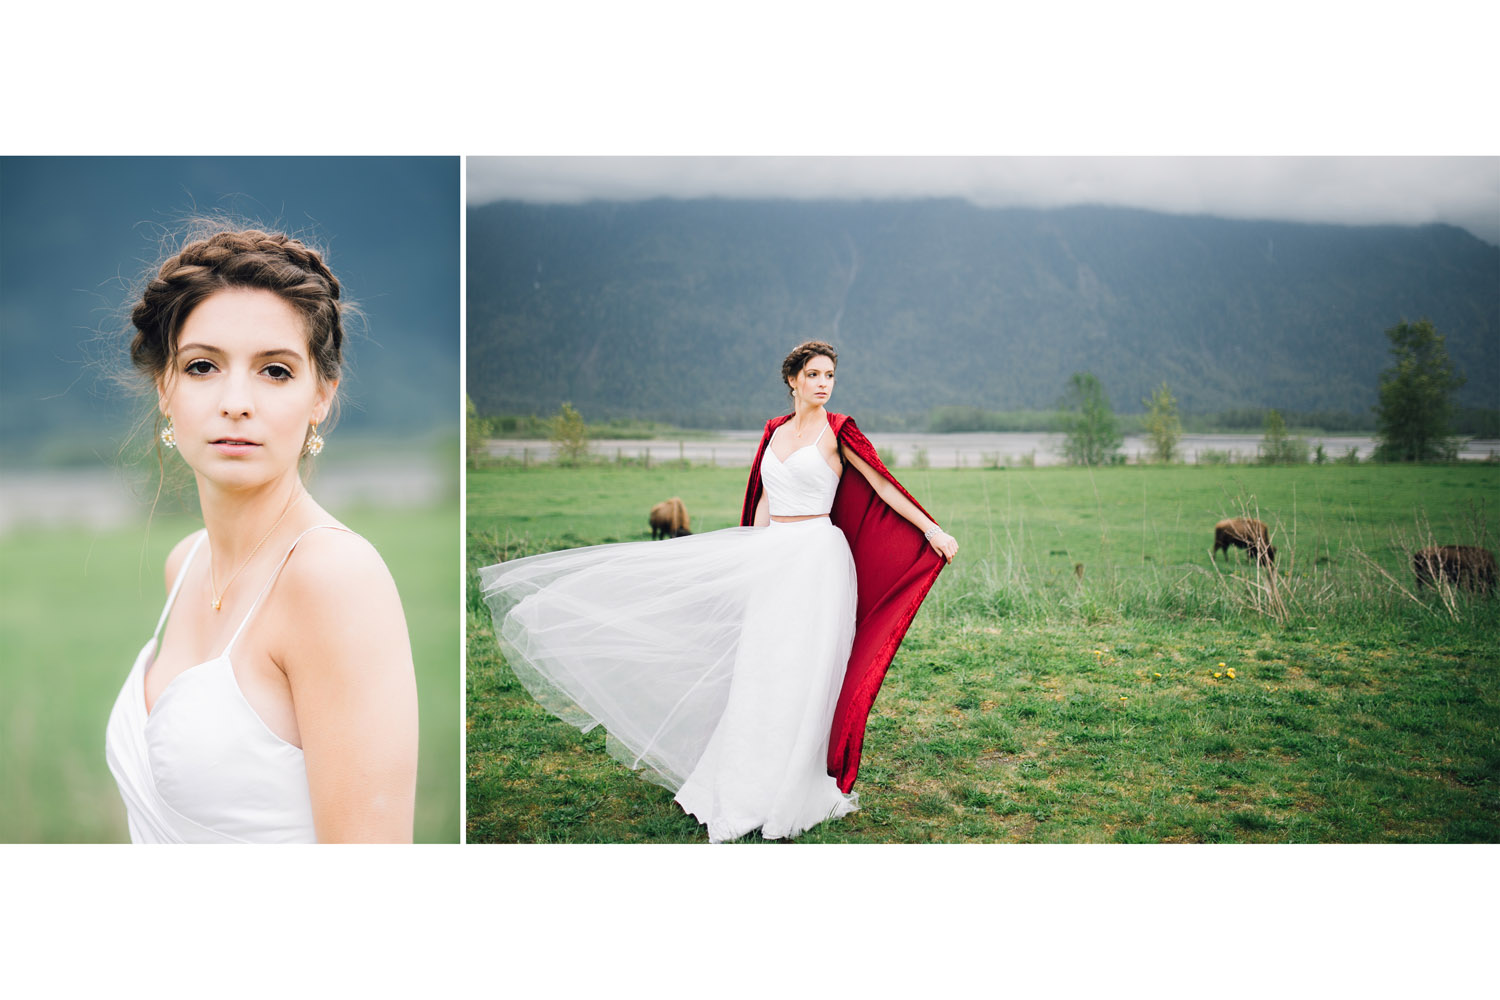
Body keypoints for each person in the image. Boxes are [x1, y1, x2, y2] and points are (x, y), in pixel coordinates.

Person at [481, 340, 957, 842]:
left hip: (817, 559)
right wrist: (748, 558)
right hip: (774, 553)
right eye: (814, 375)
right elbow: (765, 500)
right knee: (759, 663)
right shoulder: (774, 431)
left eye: (830, 375)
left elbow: (882, 486)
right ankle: (742, 777)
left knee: (801, 666)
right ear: (793, 380)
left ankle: (793, 782)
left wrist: (931, 530)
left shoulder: (839, 432)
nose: (824, 384)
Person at [104, 228, 418, 843]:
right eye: (202, 366)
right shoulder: (185, 564)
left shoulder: (333, 577)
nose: (236, 402)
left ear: (321, 396)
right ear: (166, 388)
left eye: (275, 371)